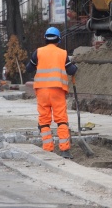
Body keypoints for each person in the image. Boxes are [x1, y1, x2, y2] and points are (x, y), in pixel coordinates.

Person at [26, 27, 78, 159]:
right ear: (58, 39)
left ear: (45, 38)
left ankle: (47, 149)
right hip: (57, 91)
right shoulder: (62, 53)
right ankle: (65, 151)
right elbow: (71, 70)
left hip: (42, 91)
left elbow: (28, 68)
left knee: (44, 120)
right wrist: (75, 66)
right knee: (61, 120)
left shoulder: (38, 52)